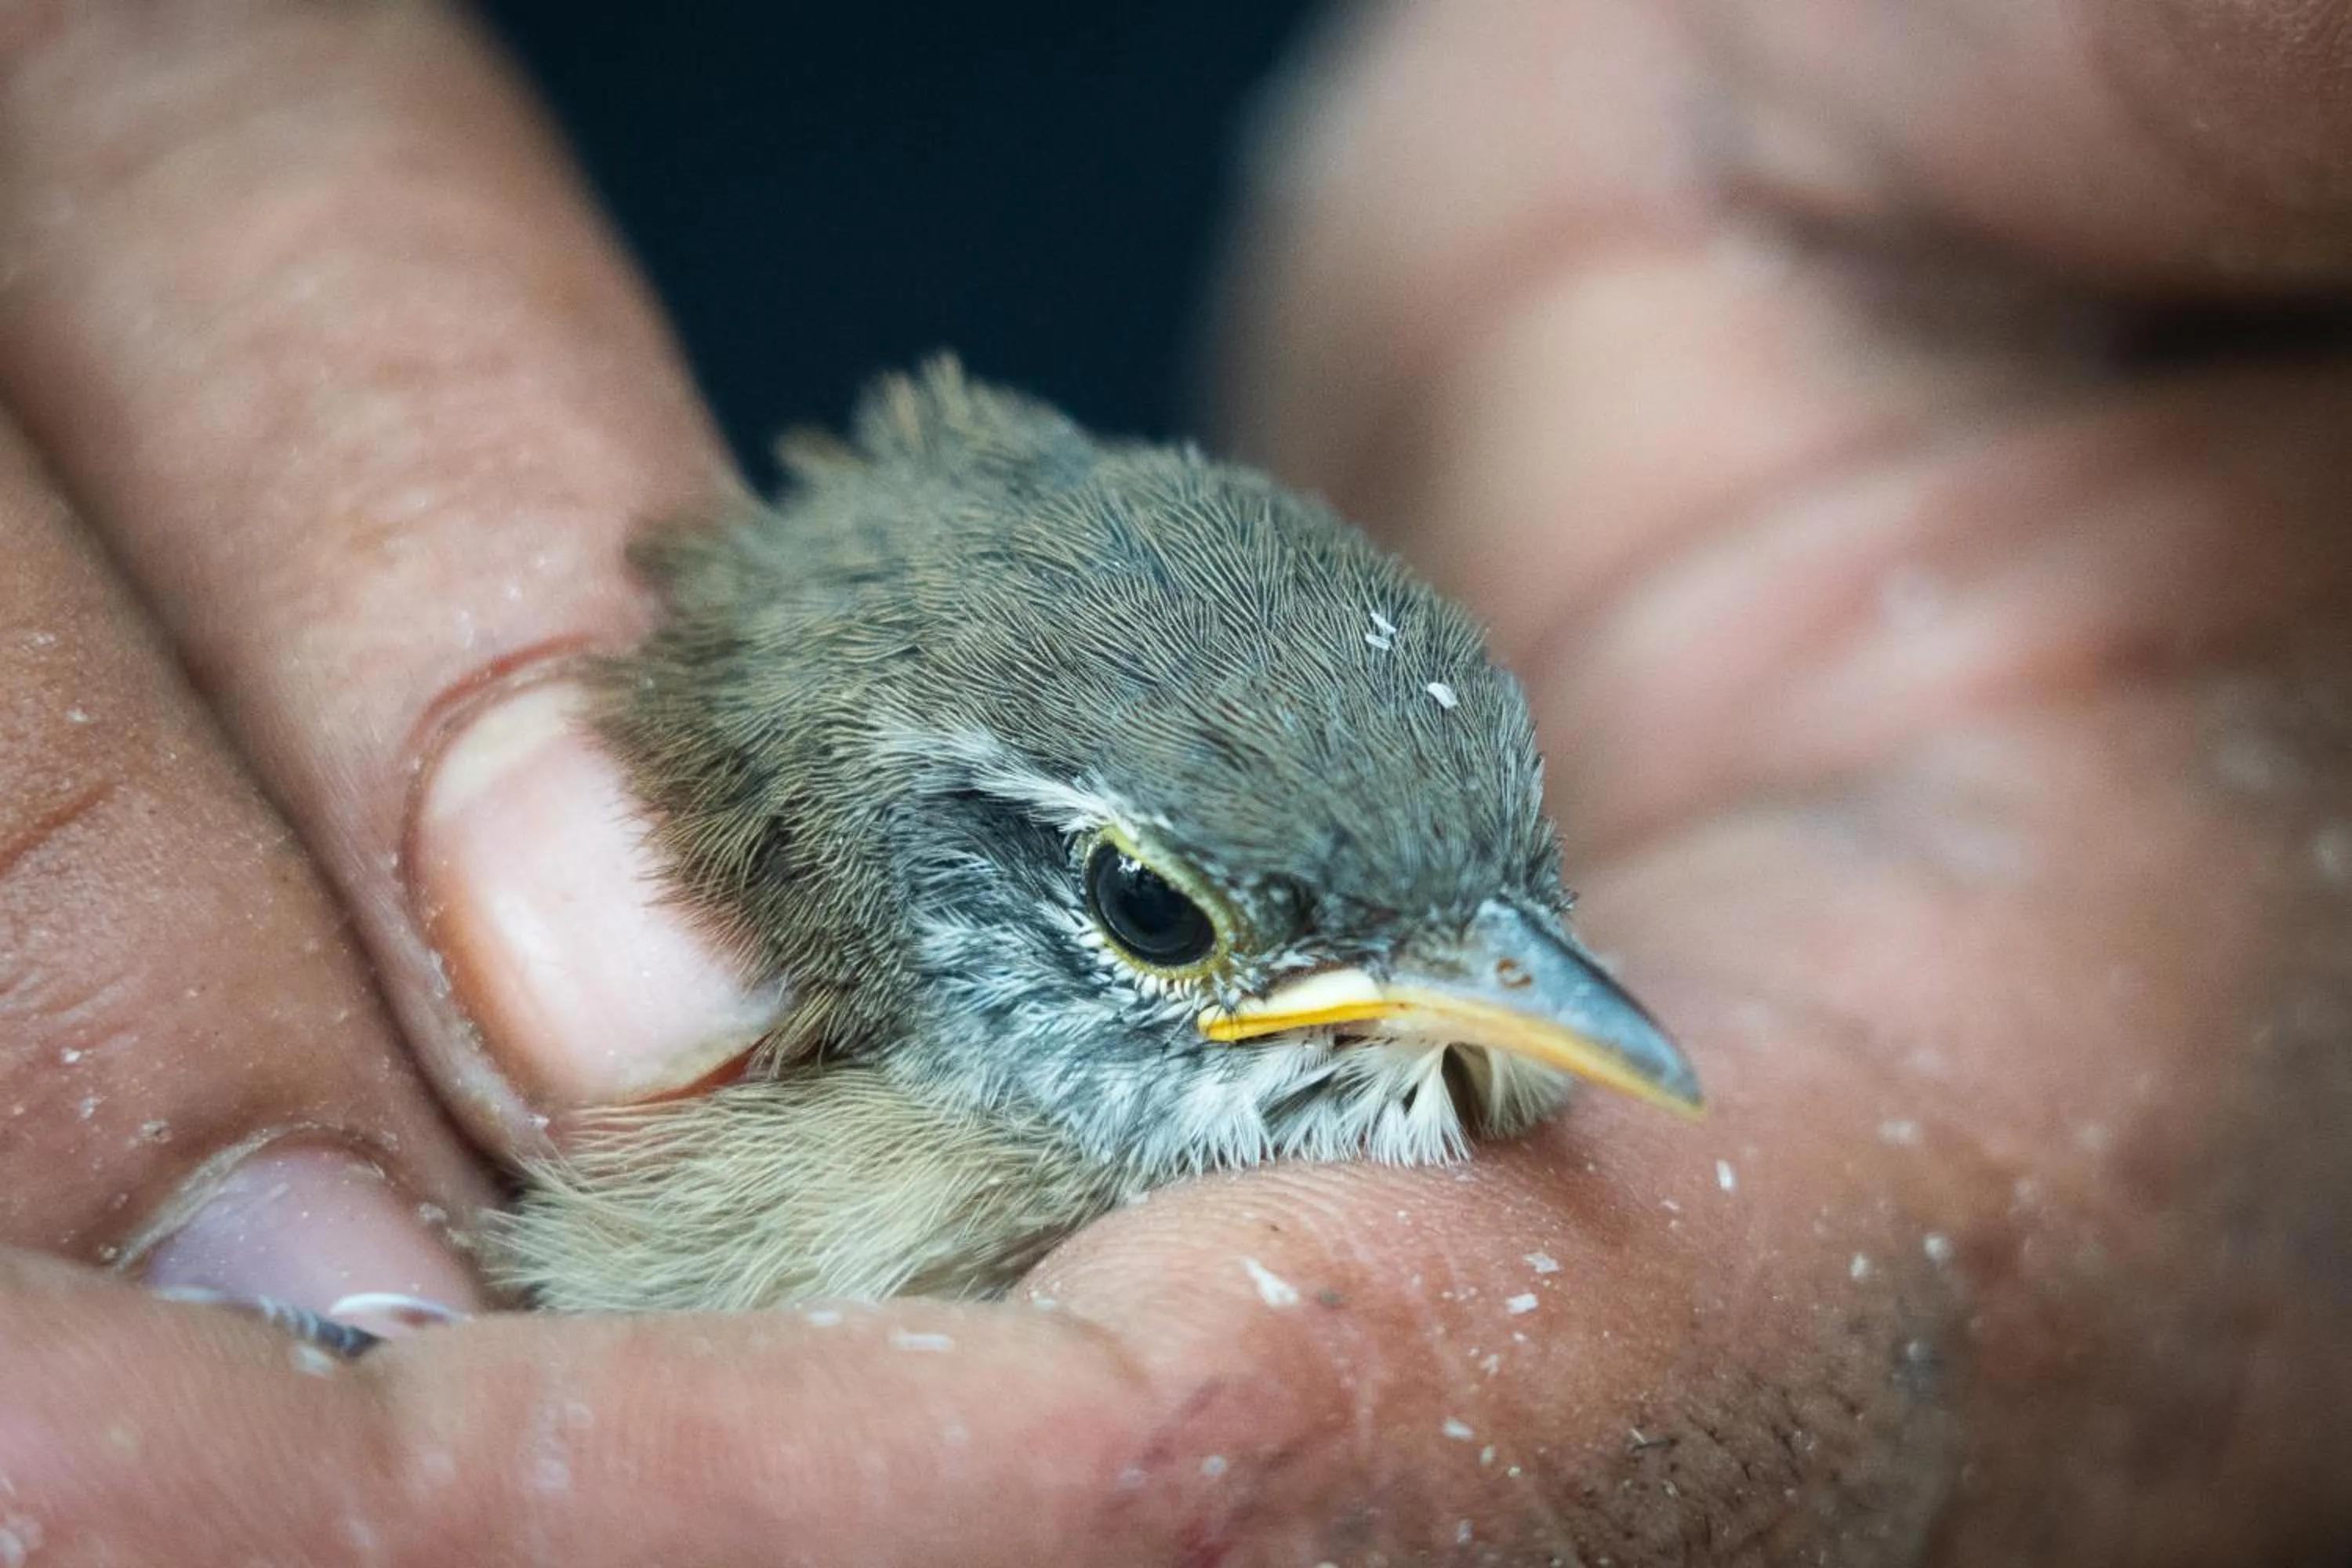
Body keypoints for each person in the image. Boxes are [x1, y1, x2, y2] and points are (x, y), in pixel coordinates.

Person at [2, 1, 2347, 1561]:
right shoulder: (770, 1059)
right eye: (1163, 922)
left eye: (1511, 895)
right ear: (925, 912)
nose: (1528, 997)